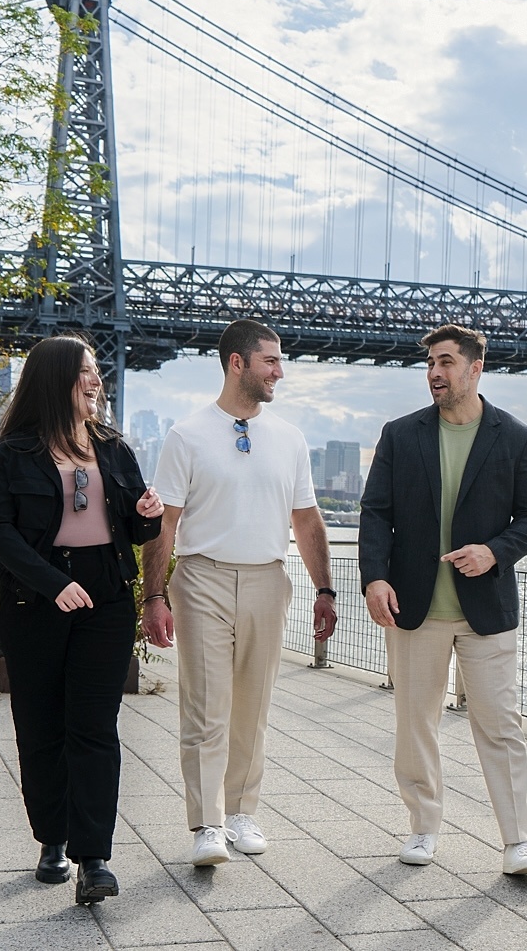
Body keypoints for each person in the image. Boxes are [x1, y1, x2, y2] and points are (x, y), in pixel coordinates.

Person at [139, 319, 339, 868]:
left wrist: (324, 588)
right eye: (271, 361)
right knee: (207, 707)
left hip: (267, 580)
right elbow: (165, 523)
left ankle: (242, 812)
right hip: (201, 577)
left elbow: (306, 518)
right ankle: (208, 823)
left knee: (253, 707)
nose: (280, 372)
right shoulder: (187, 435)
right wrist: (153, 598)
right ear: (237, 363)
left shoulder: (290, 438)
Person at [358, 323, 527, 875]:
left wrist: (494, 551)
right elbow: (375, 513)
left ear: (475, 368)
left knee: (501, 726)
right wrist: (375, 578)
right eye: (430, 364)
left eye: (445, 362)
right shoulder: (400, 434)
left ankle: (518, 842)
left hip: (486, 610)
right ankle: (423, 827)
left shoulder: (516, 437)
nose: (435, 373)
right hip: (414, 609)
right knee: (415, 725)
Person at [0, 335, 165, 905]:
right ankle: (52, 839)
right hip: (35, 599)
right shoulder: (10, 454)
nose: (96, 379)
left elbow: (135, 528)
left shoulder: (113, 448)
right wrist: (52, 583)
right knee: (41, 726)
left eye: (96, 370)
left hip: (105, 597)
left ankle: (94, 859)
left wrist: (149, 516)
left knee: (94, 727)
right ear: (56, 378)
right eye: (85, 370)